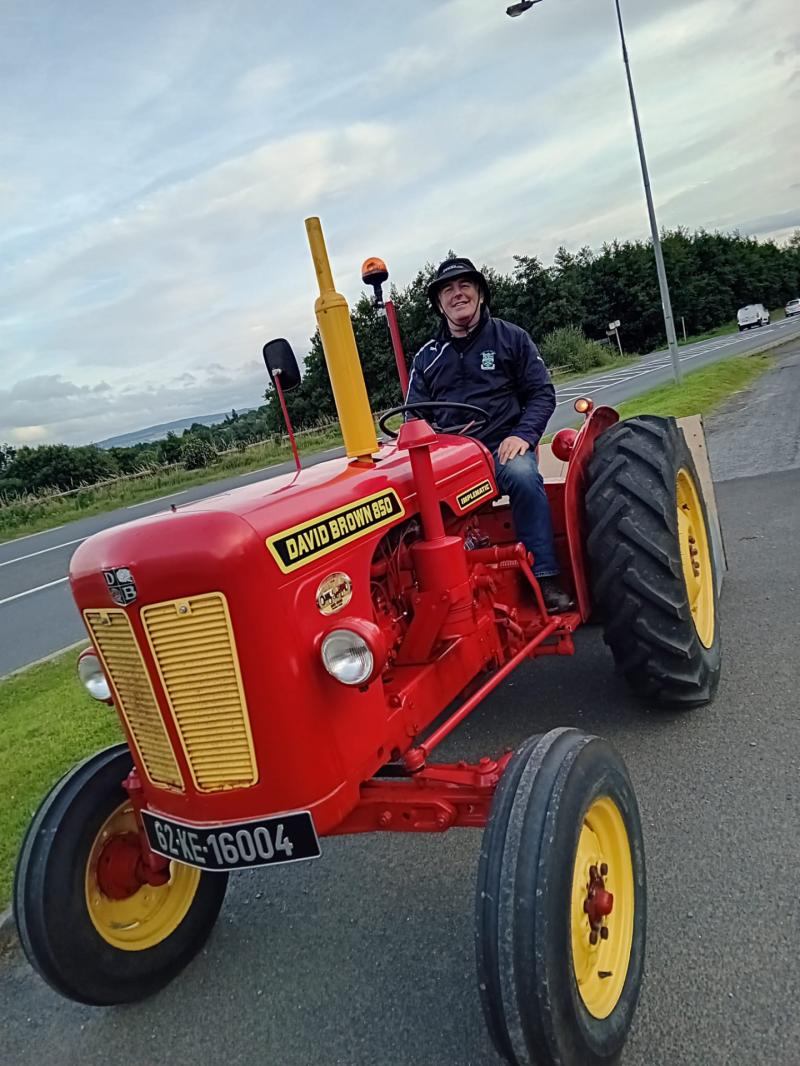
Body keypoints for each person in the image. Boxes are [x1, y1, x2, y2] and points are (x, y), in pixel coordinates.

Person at [405, 256, 573, 613]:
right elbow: (413, 418)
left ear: (480, 293)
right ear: (439, 304)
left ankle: (544, 576)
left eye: (465, 285)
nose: (457, 294)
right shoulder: (426, 358)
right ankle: (433, 595)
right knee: (407, 498)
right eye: (448, 290)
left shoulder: (511, 338)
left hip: (502, 447)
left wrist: (523, 435)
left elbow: (542, 394)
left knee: (523, 476)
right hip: (450, 459)